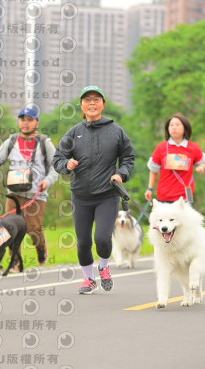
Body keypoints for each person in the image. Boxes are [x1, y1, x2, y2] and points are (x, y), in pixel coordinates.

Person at [53, 86, 135, 294]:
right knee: (83, 242)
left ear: (103, 104)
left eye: (96, 99)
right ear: (81, 105)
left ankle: (104, 267)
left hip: (107, 195)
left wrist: (121, 174)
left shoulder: (116, 130)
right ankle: (89, 279)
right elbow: (58, 158)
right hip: (80, 196)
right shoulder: (74, 133)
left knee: (102, 238)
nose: (92, 103)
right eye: (87, 99)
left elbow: (128, 157)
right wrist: (66, 165)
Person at [0, 107, 59, 268]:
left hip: (36, 195)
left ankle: (41, 247)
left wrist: (47, 181)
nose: (25, 123)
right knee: (8, 228)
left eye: (29, 120)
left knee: (33, 229)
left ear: (36, 123)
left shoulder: (45, 143)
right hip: (14, 194)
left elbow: (56, 166)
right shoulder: (11, 142)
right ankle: (14, 259)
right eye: (22, 119)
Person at [144, 113, 205, 204]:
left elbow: (202, 161)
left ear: (185, 127)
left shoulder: (193, 147)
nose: (174, 127)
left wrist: (201, 167)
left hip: (186, 196)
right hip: (164, 195)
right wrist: (149, 188)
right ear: (167, 129)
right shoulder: (161, 147)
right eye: (171, 125)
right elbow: (153, 170)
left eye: (177, 125)